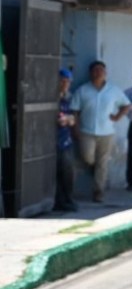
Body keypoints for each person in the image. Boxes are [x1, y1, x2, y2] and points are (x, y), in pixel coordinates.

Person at [69, 61, 131, 203]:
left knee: (102, 163)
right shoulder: (83, 90)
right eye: (95, 70)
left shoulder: (113, 90)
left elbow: (126, 105)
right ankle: (94, 169)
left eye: (101, 70)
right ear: (90, 73)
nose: (98, 72)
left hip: (107, 132)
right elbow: (75, 111)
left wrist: (117, 117)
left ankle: (98, 192)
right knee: (87, 158)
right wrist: (75, 128)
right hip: (86, 131)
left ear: (105, 72)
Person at [54, 68, 77, 212]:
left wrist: (68, 119)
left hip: (65, 141)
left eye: (67, 82)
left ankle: (68, 199)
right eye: (62, 81)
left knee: (68, 172)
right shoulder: (51, 98)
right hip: (51, 142)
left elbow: (72, 119)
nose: (65, 84)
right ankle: (58, 201)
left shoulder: (68, 98)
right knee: (54, 174)